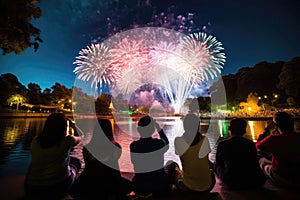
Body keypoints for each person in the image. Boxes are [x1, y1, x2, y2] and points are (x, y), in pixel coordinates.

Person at [70, 119, 132, 199]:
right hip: (110, 179)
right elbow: (115, 163)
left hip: (90, 179)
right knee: (129, 184)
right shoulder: (116, 147)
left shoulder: (88, 147)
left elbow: (87, 163)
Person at [25, 113, 82, 199]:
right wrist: (73, 126)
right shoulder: (67, 141)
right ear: (63, 127)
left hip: (31, 187)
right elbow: (81, 137)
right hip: (56, 187)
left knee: (69, 159)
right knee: (77, 162)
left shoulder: (35, 141)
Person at [214, 118, 266, 189]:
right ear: (244, 130)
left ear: (229, 129)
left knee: (216, 164)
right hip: (253, 181)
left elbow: (219, 161)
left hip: (232, 181)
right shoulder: (250, 144)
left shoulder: (223, 144)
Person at [130, 115, 174, 197]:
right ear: (153, 130)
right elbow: (167, 143)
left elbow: (134, 162)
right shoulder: (159, 144)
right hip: (160, 187)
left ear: (139, 130)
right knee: (171, 164)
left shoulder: (133, 146)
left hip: (140, 187)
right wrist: (159, 129)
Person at [256, 111, 300, 188]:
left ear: (276, 126)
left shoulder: (273, 139)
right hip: (297, 175)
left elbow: (258, 146)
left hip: (282, 177)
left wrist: (266, 131)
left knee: (260, 159)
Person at [174, 113, 215, 192]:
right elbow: (206, 159)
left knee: (173, 166)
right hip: (208, 186)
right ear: (198, 126)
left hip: (187, 187)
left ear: (184, 126)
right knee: (211, 172)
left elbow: (181, 157)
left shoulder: (178, 141)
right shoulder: (204, 140)